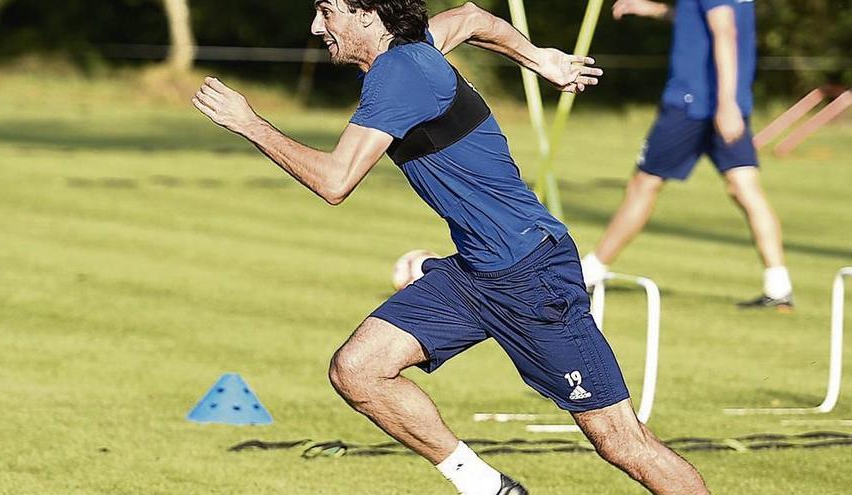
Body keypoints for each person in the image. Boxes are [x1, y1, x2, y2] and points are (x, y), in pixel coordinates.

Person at [192, 1, 709, 494]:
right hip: (477, 273)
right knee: (358, 369)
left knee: (621, 442)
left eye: (327, 12)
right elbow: (469, 18)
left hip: (532, 275)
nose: (314, 26)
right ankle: (485, 486)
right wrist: (539, 59)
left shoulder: (400, 75)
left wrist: (249, 123)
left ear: (368, 15)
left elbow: (335, 181)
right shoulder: (414, 46)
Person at [580, 0, 793, 311]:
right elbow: (702, 16)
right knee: (744, 188)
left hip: (693, 104)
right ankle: (779, 286)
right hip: (722, 104)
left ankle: (589, 274)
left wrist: (725, 103)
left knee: (644, 185)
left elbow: (724, 29)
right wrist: (653, 10)